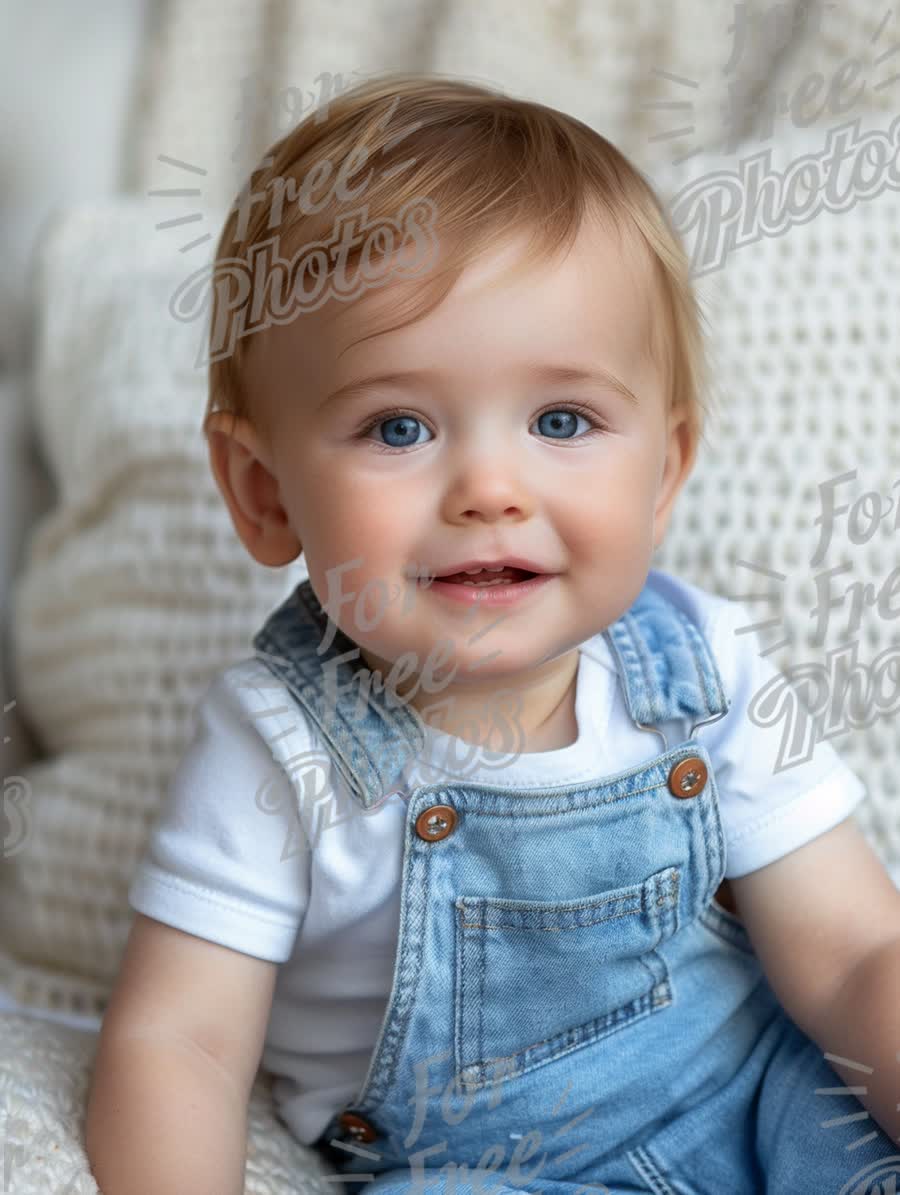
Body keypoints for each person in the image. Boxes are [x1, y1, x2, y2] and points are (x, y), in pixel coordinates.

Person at [85, 72, 900, 1195]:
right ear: (265, 492)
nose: (489, 488)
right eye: (399, 425)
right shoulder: (284, 743)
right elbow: (178, 1043)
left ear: (663, 471)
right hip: (488, 1169)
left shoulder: (703, 668)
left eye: (561, 419)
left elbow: (857, 957)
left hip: (752, 1093)